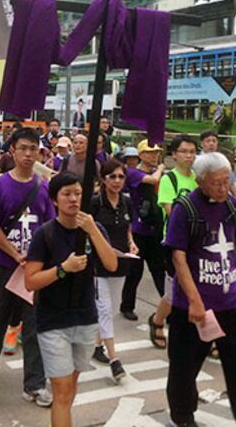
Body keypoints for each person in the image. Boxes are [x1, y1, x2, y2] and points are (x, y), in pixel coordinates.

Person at [164, 152, 236, 427]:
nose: (223, 188)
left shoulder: (233, 206)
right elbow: (178, 256)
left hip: (230, 304)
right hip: (194, 309)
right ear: (200, 181)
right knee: (184, 368)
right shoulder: (185, 209)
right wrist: (195, 301)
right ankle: (183, 417)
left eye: (226, 181)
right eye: (216, 183)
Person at [25, 172, 117, 427]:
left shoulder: (93, 228)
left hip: (86, 319)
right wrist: (63, 268)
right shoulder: (45, 234)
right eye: (66, 194)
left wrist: (92, 230)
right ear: (55, 200)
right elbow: (30, 281)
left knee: (71, 386)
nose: (74, 199)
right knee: (62, 391)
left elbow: (111, 264)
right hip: (53, 321)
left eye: (78, 193)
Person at [0, 127, 54, 407]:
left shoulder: (43, 187)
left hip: (33, 270)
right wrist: (14, 253)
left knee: (34, 326)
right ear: (13, 150)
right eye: (23, 148)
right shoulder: (0, 185)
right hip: (5, 266)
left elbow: (49, 226)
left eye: (34, 149)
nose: (28, 153)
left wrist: (39, 257)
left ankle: (34, 384)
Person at [89, 160, 139, 381]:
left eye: (120, 177)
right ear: (104, 179)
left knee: (110, 308)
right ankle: (114, 360)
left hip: (122, 263)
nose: (117, 181)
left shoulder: (127, 202)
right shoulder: (95, 203)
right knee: (105, 309)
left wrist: (131, 242)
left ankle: (97, 345)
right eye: (112, 177)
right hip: (98, 265)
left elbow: (128, 228)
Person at [149, 135, 198, 350]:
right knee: (174, 291)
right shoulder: (169, 180)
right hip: (175, 243)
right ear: (174, 154)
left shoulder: (199, 178)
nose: (188, 155)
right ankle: (158, 320)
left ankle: (204, 333)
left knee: (199, 287)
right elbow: (171, 211)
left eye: (192, 151)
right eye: (184, 151)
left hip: (197, 243)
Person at [120, 139, 165, 323]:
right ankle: (127, 306)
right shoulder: (133, 173)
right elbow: (153, 180)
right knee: (134, 272)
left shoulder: (158, 173)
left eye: (155, 153)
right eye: (149, 152)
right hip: (138, 229)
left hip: (155, 228)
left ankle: (168, 307)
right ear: (140, 155)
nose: (153, 156)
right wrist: (161, 168)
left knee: (159, 271)